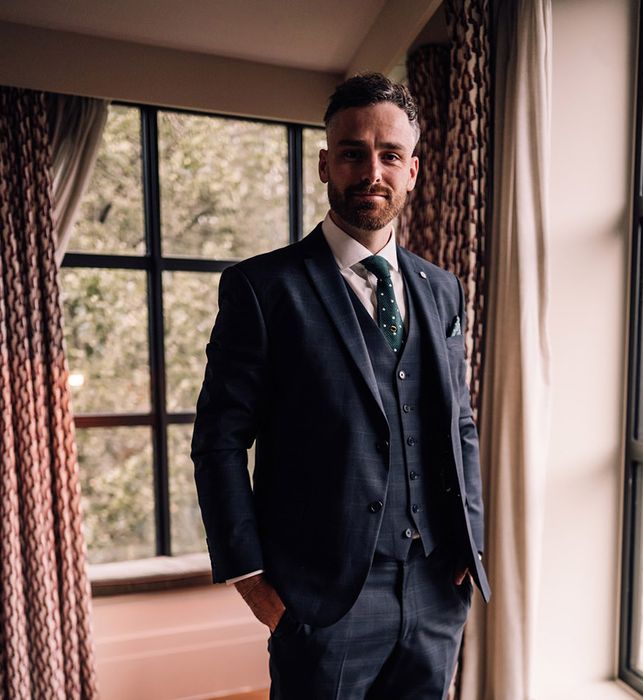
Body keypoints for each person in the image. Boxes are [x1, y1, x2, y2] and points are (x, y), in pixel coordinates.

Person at [191, 72, 490, 699]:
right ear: (327, 164)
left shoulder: (442, 289)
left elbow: (460, 423)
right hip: (323, 599)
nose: (371, 170)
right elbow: (219, 440)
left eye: (390, 155)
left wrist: (469, 546)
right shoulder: (263, 288)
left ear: (413, 170)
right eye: (353, 152)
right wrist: (250, 576)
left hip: (436, 589)